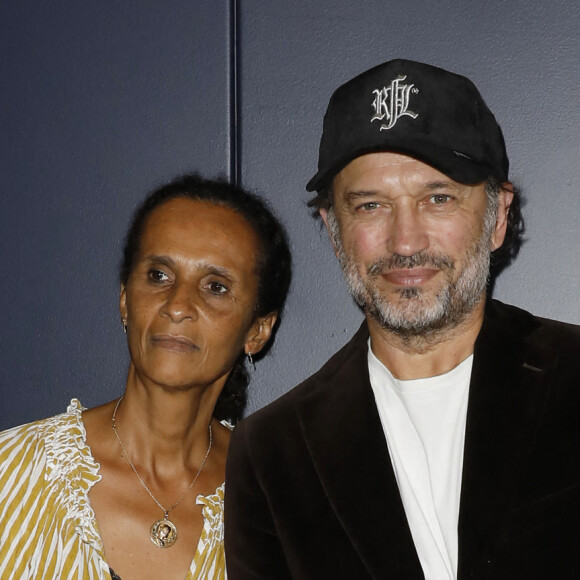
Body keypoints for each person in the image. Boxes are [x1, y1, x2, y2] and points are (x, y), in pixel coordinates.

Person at [224, 59, 580, 579]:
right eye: (370, 206)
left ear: (498, 216)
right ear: (333, 228)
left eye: (438, 199)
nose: (405, 242)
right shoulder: (273, 453)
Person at [0, 174, 291, 579]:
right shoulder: (11, 474)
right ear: (124, 299)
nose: (177, 305)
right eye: (159, 275)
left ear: (258, 330)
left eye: (215, 286)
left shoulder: (283, 509)